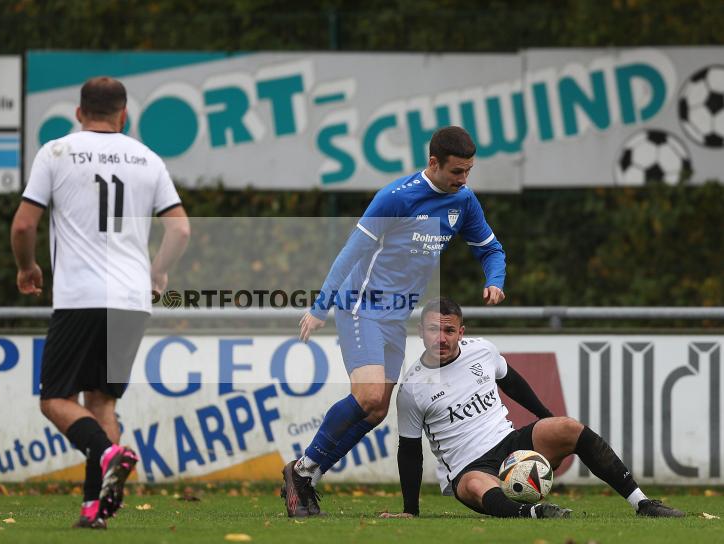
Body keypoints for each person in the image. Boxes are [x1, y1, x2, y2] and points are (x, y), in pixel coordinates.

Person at [282, 126, 506, 517]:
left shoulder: (465, 201)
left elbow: (491, 249)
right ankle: (302, 471)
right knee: (369, 396)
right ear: (433, 163)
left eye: (468, 171)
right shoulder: (396, 197)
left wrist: (495, 280)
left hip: (396, 316)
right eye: (457, 171)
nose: (463, 179)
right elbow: (350, 253)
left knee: (376, 410)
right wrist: (320, 307)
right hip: (360, 306)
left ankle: (306, 473)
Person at [12, 76, 190, 529]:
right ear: (124, 115)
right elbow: (180, 229)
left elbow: (23, 225)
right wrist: (157, 271)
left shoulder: (56, 152)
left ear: (79, 112)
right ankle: (94, 509)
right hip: (131, 298)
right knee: (103, 403)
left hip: (81, 297)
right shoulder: (148, 159)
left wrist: (27, 266)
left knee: (55, 399)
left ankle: (107, 452)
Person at [380, 296, 684, 519]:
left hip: (512, 447)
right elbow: (410, 451)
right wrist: (410, 510)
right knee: (474, 484)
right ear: (420, 331)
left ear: (461, 332)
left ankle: (642, 503)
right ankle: (534, 513)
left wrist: (547, 420)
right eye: (434, 330)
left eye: (449, 331)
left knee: (568, 426)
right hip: (468, 468)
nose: (441, 338)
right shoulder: (412, 388)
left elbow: (512, 384)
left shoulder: (483, 350)